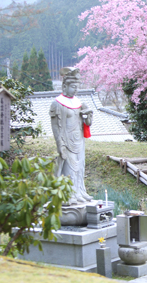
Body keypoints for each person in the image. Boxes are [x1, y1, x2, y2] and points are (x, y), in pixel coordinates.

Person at [49, 67, 93, 204]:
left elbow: (87, 123)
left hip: (78, 140)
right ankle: (69, 195)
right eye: (73, 87)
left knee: (80, 167)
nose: (75, 90)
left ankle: (79, 192)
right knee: (70, 168)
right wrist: (60, 144)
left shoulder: (79, 103)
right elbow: (55, 126)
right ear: (64, 86)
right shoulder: (57, 103)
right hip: (66, 140)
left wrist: (89, 115)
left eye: (77, 87)